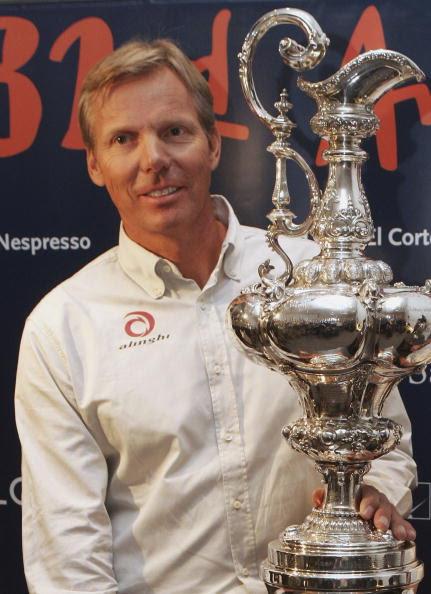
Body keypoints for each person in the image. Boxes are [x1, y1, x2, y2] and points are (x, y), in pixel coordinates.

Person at [15, 39, 417, 594]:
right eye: (123, 139)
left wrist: (373, 498)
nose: (153, 159)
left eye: (174, 131)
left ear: (212, 145)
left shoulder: (310, 281)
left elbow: (388, 443)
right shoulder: (62, 328)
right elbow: (66, 553)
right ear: (94, 163)